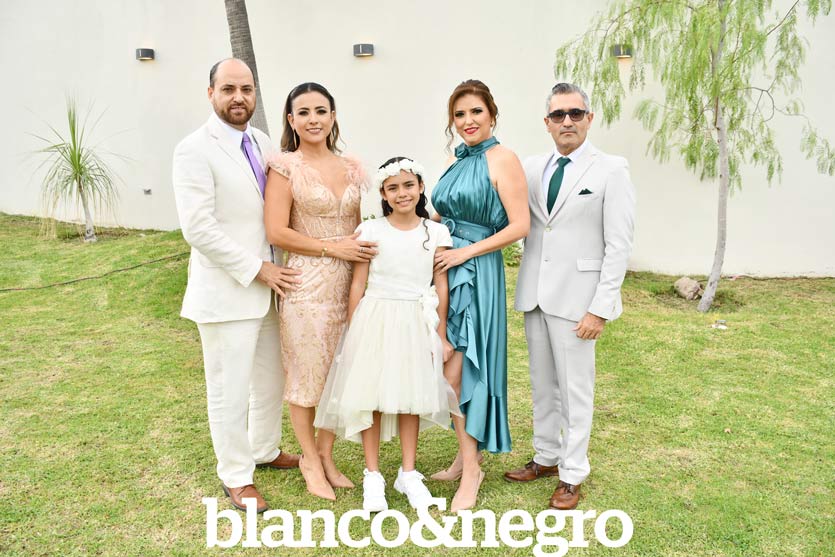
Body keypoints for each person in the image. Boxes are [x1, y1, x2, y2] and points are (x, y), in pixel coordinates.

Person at [171, 58, 301, 514]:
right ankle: (235, 475)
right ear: (211, 93)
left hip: (269, 289)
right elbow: (198, 228)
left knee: (270, 379)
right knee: (228, 389)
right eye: (228, 89)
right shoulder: (193, 150)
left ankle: (264, 449)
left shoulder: (261, 141)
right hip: (228, 291)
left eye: (246, 88)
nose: (239, 97)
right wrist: (257, 269)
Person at [505, 82, 636, 510]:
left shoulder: (611, 169)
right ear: (547, 122)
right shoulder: (531, 167)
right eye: (559, 115)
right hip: (535, 295)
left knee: (576, 390)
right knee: (542, 384)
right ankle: (546, 456)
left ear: (589, 119)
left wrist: (600, 309)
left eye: (575, 114)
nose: (567, 121)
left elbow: (619, 245)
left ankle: (573, 472)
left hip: (579, 300)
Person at [315, 157, 460, 512]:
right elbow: (358, 284)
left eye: (408, 185)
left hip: (414, 320)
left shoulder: (436, 233)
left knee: (411, 395)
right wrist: (354, 330)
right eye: (392, 188)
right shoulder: (371, 230)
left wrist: (440, 335)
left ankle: (408, 473)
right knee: (374, 395)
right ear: (383, 193)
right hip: (376, 318)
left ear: (421, 187)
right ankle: (373, 474)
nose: (402, 193)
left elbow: (440, 286)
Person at [264, 82, 377, 502]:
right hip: (306, 283)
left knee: (339, 370)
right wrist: (332, 248)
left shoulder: (352, 167)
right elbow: (276, 231)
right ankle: (308, 460)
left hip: (350, 282)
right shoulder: (284, 168)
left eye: (321, 111)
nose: (313, 119)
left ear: (333, 116)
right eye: (304, 112)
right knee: (307, 374)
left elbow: (359, 229)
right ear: (291, 120)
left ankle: (327, 454)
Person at [430, 80, 530, 512]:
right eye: (459, 114)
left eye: (475, 112)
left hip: (476, 270)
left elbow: (520, 225)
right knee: (448, 364)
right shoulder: (456, 162)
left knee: (459, 369)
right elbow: (440, 214)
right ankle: (464, 456)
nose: (467, 121)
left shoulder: (503, 158)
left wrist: (464, 252)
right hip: (446, 270)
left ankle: (472, 470)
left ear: (492, 114)